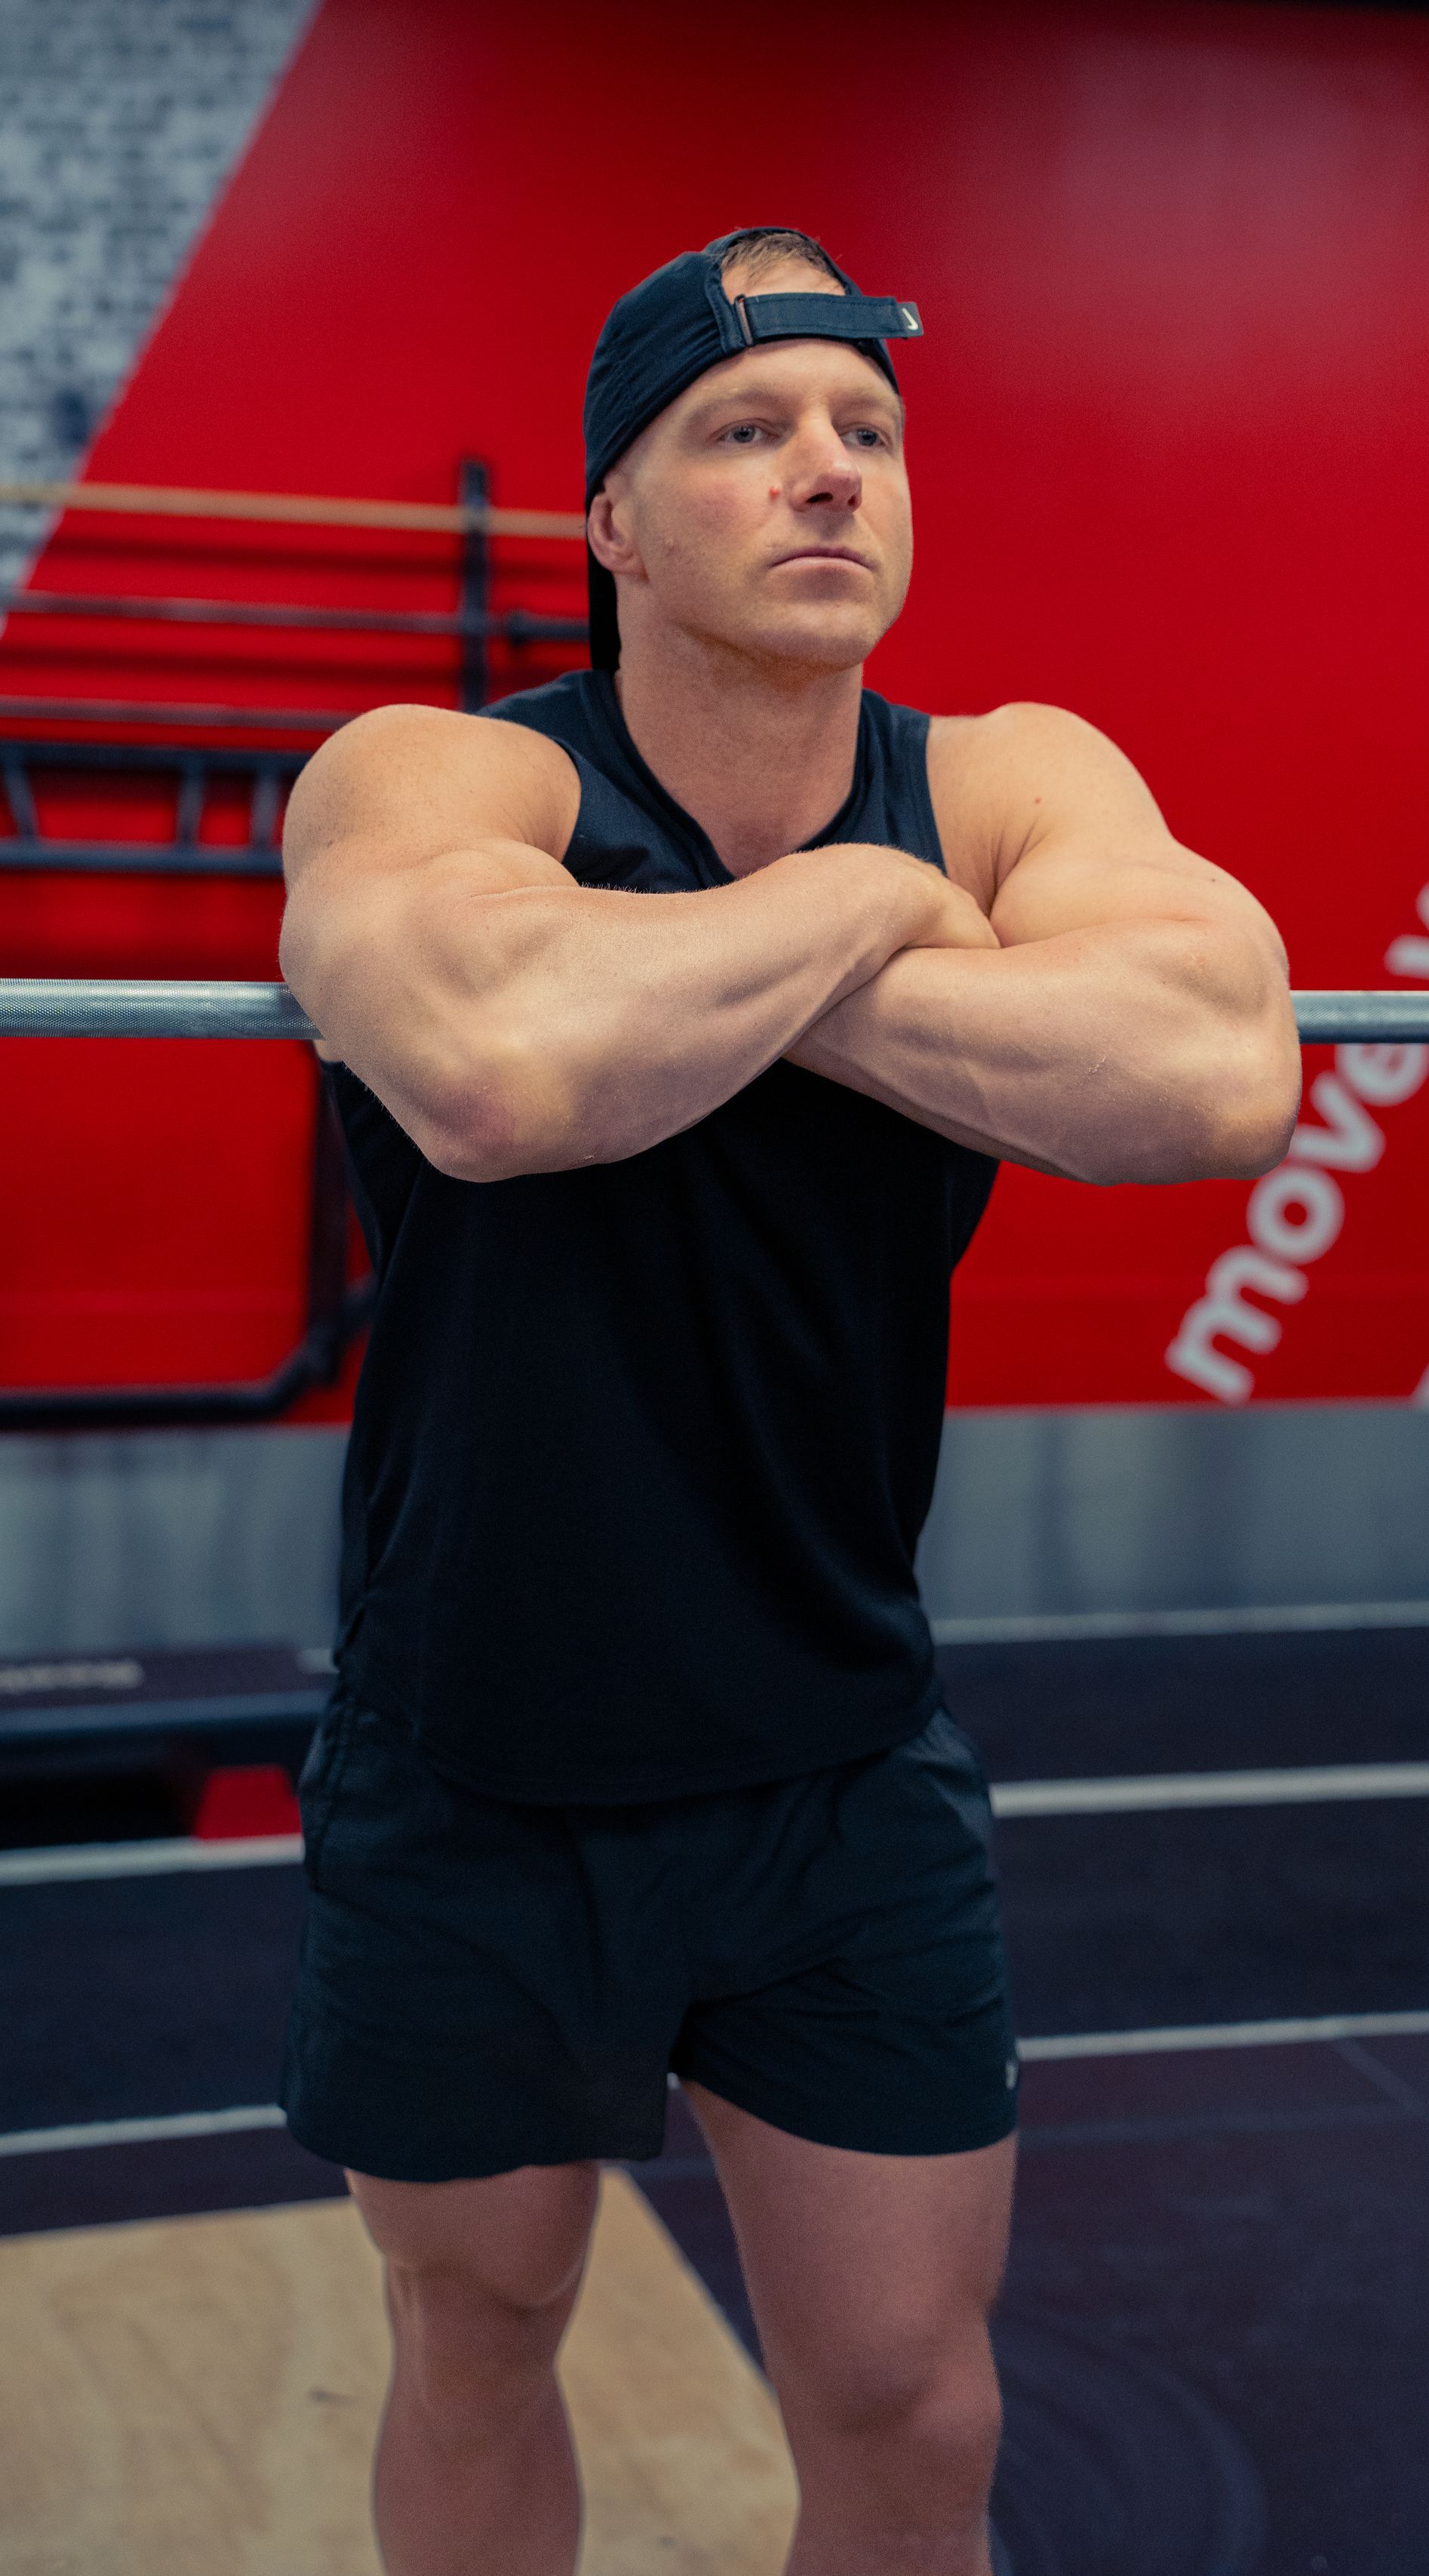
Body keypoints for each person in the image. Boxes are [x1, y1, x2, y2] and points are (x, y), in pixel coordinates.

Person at [277, 226, 1298, 2576]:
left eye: (868, 432)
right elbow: (503, 1067)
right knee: (474, 2340)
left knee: (909, 2401)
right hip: (471, 1761)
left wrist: (690, 979)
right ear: (616, 524)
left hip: (837, 1757)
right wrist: (876, 913)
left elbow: (1217, 1066)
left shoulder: (1017, 768)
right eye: (745, 432)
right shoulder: (445, 772)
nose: (826, 471)